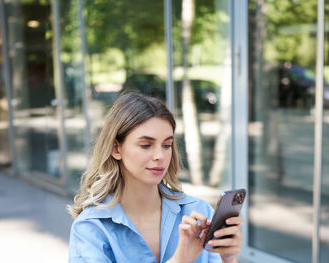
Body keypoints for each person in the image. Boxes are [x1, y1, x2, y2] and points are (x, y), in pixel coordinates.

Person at [67, 92, 243, 262]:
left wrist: (228, 259)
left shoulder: (199, 213)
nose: (160, 155)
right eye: (146, 145)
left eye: (167, 145)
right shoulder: (91, 227)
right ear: (116, 149)